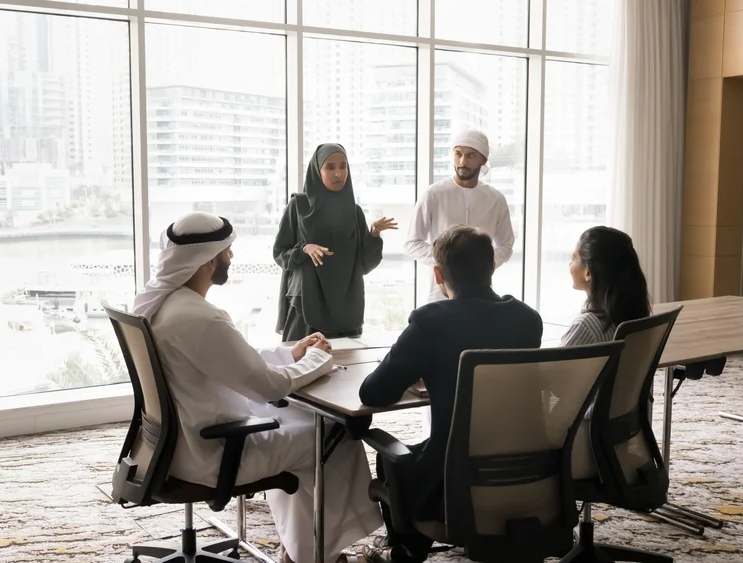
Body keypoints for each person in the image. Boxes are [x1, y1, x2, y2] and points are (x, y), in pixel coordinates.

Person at [133, 211, 382, 563]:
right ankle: (315, 555)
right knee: (331, 434)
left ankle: (303, 549)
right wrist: (317, 358)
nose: (231, 256)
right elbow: (269, 387)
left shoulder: (164, 305)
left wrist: (291, 354)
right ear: (208, 260)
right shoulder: (200, 317)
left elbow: (230, 360)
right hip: (215, 452)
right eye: (226, 251)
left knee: (305, 423)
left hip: (176, 446)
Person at [357, 225, 544, 563]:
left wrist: (420, 368)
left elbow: (374, 392)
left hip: (453, 477)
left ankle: (404, 551)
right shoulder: (528, 320)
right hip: (527, 467)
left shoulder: (431, 322)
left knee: (394, 459)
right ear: (492, 267)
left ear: (438, 274)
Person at [404, 129, 515, 439]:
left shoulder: (495, 199)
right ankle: (434, 437)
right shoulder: (434, 194)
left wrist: (487, 263)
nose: (462, 161)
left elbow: (506, 243)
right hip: (439, 294)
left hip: (481, 297)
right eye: (458, 153)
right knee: (435, 370)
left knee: (475, 371)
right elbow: (412, 243)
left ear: (483, 160)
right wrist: (447, 262)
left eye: (470, 155)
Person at [274, 143, 398, 343]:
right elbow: (280, 254)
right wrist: (304, 249)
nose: (338, 173)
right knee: (303, 360)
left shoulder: (354, 212)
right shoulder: (299, 206)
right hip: (307, 304)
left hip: (346, 308)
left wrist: (374, 234)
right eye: (330, 167)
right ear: (317, 170)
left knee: (346, 362)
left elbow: (364, 265)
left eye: (343, 166)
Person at [560, 226, 651, 347]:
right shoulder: (636, 318)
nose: (570, 264)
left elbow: (556, 360)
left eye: (574, 258)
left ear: (588, 272)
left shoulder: (585, 326)